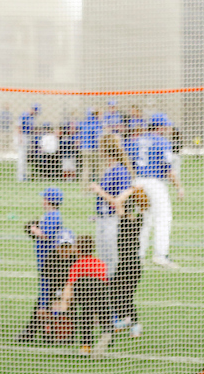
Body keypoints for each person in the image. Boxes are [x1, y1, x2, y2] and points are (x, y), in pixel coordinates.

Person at [16, 187, 74, 343]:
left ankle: (48, 330)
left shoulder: (53, 215)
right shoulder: (49, 215)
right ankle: (41, 331)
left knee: (45, 299)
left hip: (48, 264)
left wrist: (34, 229)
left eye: (44, 199)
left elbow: (46, 234)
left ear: (49, 201)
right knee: (45, 298)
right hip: (45, 262)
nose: (42, 201)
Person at [128, 113, 184, 269]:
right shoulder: (162, 142)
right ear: (159, 126)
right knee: (163, 218)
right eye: (165, 126)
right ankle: (160, 255)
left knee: (144, 221)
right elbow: (168, 169)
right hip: (154, 182)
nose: (167, 129)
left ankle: (139, 253)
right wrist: (179, 187)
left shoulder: (137, 140)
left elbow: (130, 163)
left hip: (138, 182)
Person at [53, 234, 112, 358]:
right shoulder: (100, 263)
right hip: (100, 294)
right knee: (104, 316)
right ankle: (107, 334)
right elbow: (106, 281)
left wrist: (64, 303)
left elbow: (69, 284)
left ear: (77, 249)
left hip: (84, 296)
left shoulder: (77, 264)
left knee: (86, 318)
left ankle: (86, 346)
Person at [87, 135, 133, 279]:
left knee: (111, 259)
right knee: (103, 257)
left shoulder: (120, 171)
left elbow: (118, 201)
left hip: (113, 221)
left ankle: (112, 289)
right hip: (103, 220)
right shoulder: (108, 170)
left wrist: (98, 190)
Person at [110, 186, 148, 338]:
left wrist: (131, 190)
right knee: (115, 293)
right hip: (129, 265)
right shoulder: (139, 219)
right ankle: (126, 320)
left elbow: (117, 202)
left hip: (129, 265)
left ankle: (135, 324)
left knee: (125, 296)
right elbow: (142, 206)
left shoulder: (125, 221)